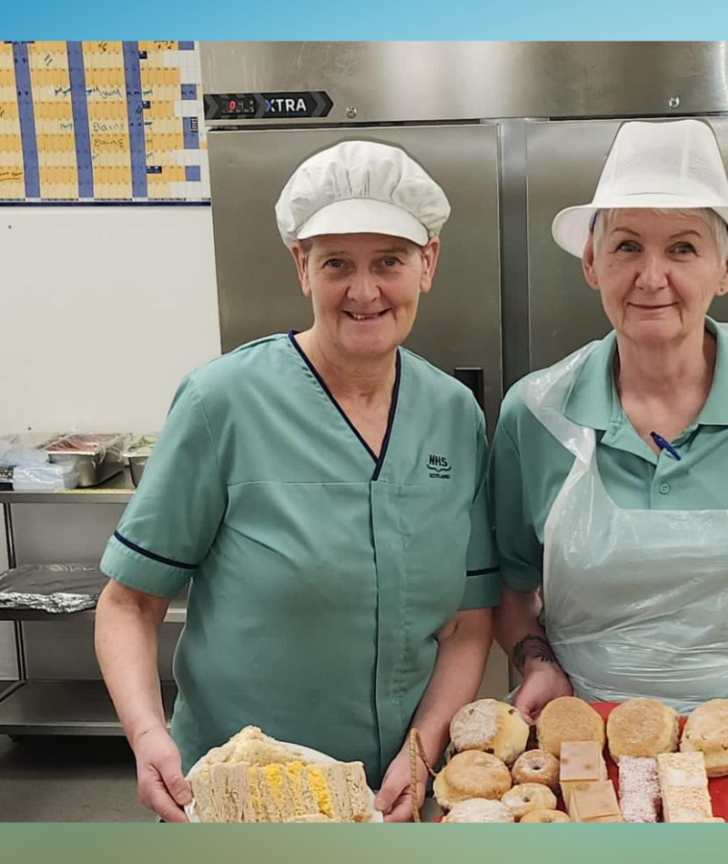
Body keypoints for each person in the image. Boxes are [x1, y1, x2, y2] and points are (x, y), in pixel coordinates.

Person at [94, 140, 499, 822]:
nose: (364, 291)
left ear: (427, 263)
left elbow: (466, 621)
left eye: (389, 262)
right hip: (237, 797)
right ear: (300, 266)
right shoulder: (221, 402)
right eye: (337, 262)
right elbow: (129, 604)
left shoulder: (452, 413)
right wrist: (145, 735)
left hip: (397, 790)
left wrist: (426, 748)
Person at [490, 120, 728, 732]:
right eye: (626, 246)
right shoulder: (539, 414)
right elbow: (511, 585)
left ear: (726, 266)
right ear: (591, 261)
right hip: (588, 743)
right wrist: (536, 664)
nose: (652, 277)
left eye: (682, 247)